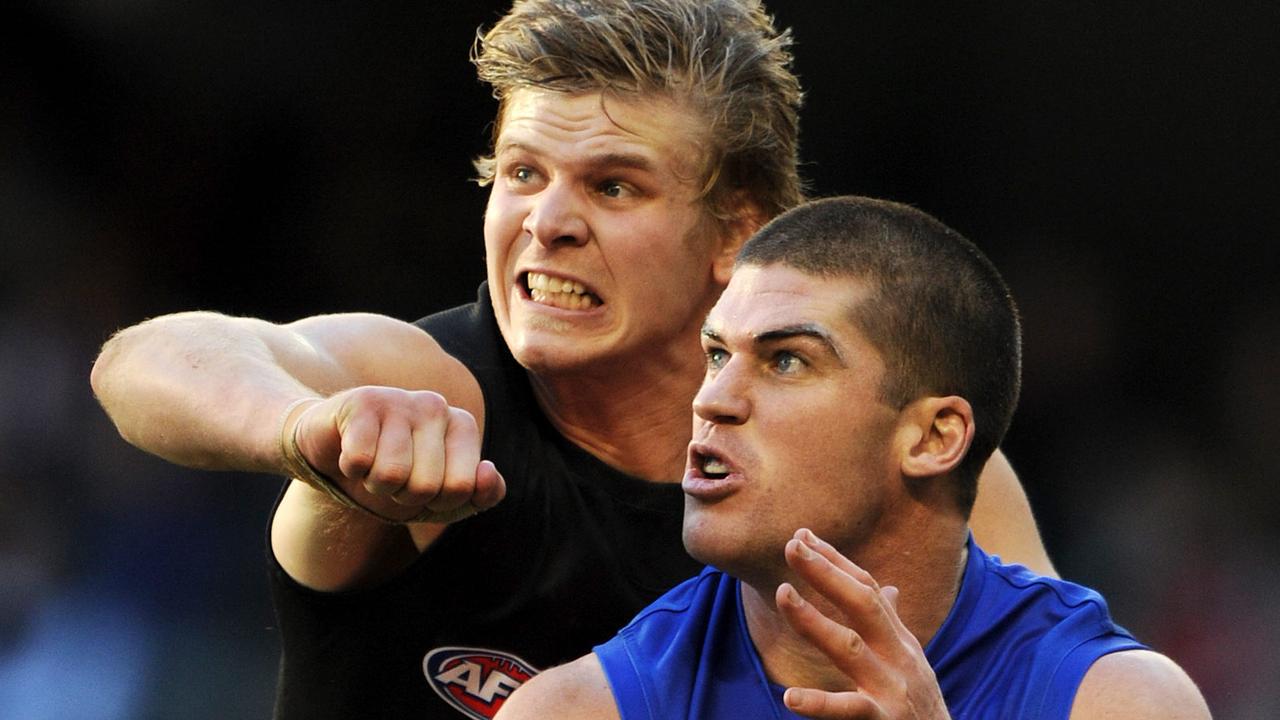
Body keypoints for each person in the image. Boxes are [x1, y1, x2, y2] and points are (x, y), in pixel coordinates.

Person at [90, 2, 1052, 718]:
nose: (547, 223)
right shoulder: (434, 393)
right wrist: (307, 431)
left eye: (615, 185)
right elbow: (149, 360)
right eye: (521, 174)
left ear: (740, 234)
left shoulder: (891, 460)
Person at [495, 196, 1211, 720]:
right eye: (717, 354)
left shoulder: (1117, 702)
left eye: (785, 362)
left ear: (933, 438)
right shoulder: (576, 710)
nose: (712, 399)